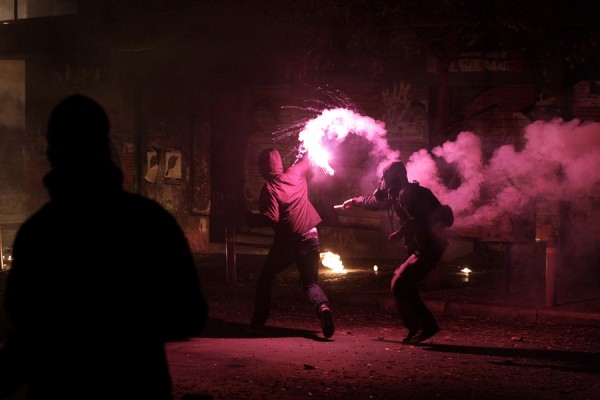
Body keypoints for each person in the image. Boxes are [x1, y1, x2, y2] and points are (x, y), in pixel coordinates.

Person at [0, 94, 208, 399]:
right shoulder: (149, 222)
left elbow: (26, 331)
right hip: (137, 386)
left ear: (53, 153)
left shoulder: (41, 232)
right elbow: (190, 315)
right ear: (104, 149)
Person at [340, 161, 453, 344]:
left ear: (390, 179)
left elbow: (420, 220)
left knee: (400, 284)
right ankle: (415, 327)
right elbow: (374, 200)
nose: (381, 183)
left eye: (383, 179)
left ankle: (427, 326)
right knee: (398, 283)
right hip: (421, 248)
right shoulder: (397, 193)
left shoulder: (407, 194)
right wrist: (354, 201)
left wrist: (400, 233)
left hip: (429, 248)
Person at [246, 147, 335, 339]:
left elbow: (272, 218)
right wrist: (312, 142)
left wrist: (251, 220)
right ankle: (324, 308)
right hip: (311, 235)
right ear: (279, 164)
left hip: (290, 242)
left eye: (260, 167)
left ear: (263, 168)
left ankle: (257, 323)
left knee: (265, 279)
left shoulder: (269, 189)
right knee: (310, 282)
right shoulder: (295, 172)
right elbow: (310, 157)